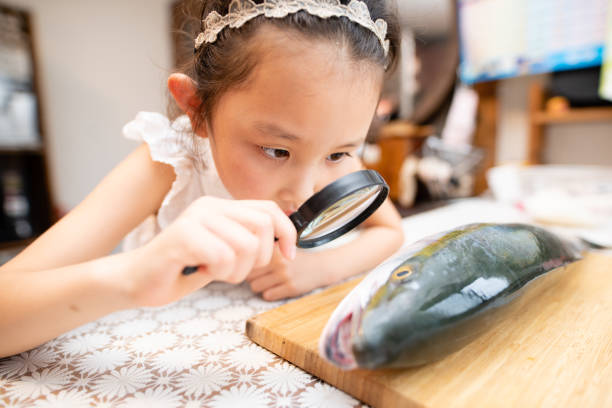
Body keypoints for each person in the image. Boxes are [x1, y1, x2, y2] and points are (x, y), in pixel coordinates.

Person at [0, 0, 404, 358]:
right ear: (195, 108)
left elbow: (390, 231)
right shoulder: (169, 163)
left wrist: (319, 268)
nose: (303, 191)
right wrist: (132, 275)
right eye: (276, 150)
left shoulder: (325, 156)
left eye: (338, 153)